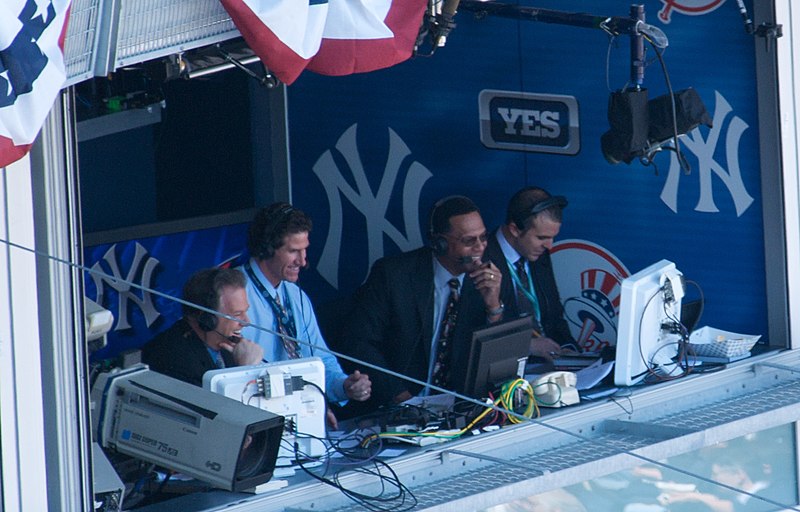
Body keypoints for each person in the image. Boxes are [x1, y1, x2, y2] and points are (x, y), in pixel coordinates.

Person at [344, 195, 504, 408]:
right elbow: (359, 341)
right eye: (468, 241)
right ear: (440, 243)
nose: (480, 247)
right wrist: (398, 394)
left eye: (483, 238)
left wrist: (493, 306)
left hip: (461, 406)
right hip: (399, 404)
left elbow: (499, 357)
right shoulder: (393, 275)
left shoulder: (490, 277)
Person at [240, 202, 372, 415]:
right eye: (293, 251)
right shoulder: (234, 294)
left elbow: (320, 360)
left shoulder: (296, 295)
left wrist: (344, 386)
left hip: (300, 416)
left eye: (305, 250)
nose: (302, 261)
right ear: (266, 248)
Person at [485, 186, 576, 362]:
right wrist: (529, 346)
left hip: (548, 368)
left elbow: (555, 317)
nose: (549, 246)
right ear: (514, 229)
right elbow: (478, 333)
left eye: (552, 237)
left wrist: (571, 354)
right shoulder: (483, 259)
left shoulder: (539, 254)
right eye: (542, 238)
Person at [141, 267, 264, 387]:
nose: (246, 321)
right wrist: (245, 371)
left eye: (245, 312)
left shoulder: (229, 347)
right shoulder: (172, 359)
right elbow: (219, 406)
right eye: (236, 314)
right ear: (207, 318)